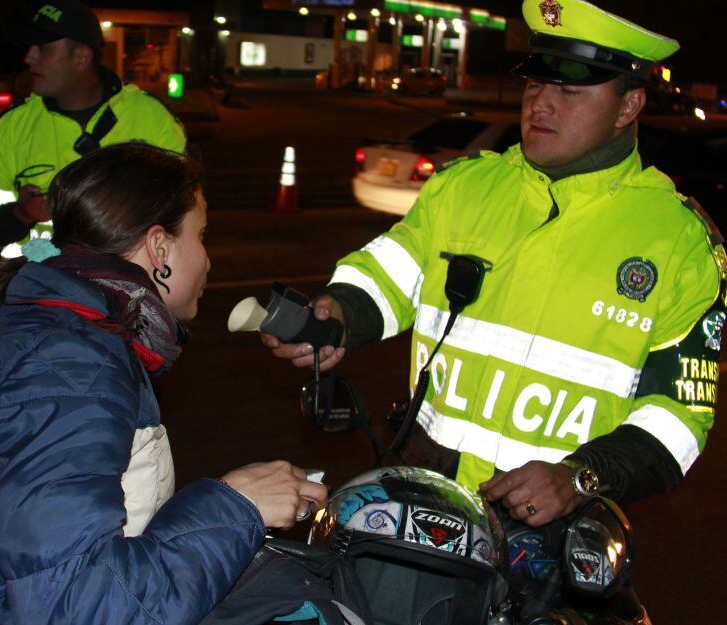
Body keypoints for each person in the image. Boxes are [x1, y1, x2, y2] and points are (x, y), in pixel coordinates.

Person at [264, 0, 724, 528]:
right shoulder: (465, 187)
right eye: (534, 85)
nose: (541, 105)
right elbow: (389, 275)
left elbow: (679, 420)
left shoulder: (680, 240)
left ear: (628, 106)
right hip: (423, 500)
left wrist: (581, 477)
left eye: (570, 91)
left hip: (547, 536)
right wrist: (337, 314)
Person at [0, 143, 327, 625]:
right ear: (159, 247)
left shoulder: (70, 332)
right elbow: (75, 605)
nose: (208, 260)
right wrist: (237, 506)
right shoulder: (72, 365)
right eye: (201, 235)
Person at [0, 0, 186, 258]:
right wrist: (21, 213)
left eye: (43, 48)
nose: (29, 58)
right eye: (30, 47)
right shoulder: (11, 127)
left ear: (81, 57)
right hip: (38, 291)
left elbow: (180, 218)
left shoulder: (153, 120)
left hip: (125, 292)